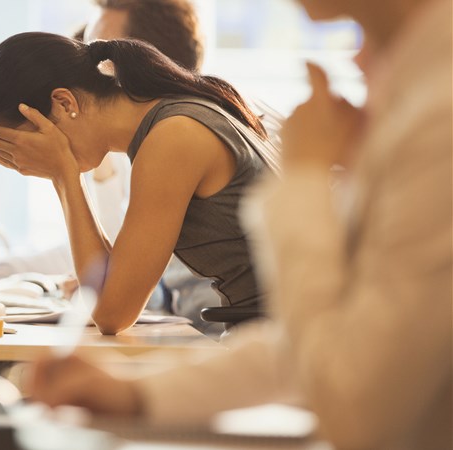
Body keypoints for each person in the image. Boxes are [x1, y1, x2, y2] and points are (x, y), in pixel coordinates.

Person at [28, 0, 452, 447]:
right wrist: (134, 394)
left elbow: (358, 406)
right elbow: (305, 342)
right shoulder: (410, 85)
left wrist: (305, 176)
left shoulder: (437, 113)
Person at [0, 32, 279, 334]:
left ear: (64, 103)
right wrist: (63, 173)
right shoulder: (167, 123)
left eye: (32, 141)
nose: (30, 157)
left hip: (280, 343)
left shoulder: (173, 137)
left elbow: (111, 313)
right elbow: (108, 284)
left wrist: (63, 173)